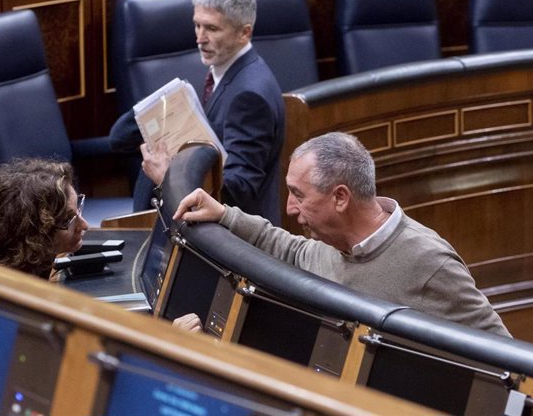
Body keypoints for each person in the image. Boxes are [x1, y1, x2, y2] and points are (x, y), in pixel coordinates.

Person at [172, 132, 511, 337]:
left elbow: (501, 352)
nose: (290, 208)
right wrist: (226, 215)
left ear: (340, 197)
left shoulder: (428, 262)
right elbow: (289, 251)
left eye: (299, 195)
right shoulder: (331, 245)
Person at [109, 0, 285, 225]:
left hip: (233, 244)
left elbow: (239, 191)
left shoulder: (249, 95)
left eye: (212, 28)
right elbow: (119, 138)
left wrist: (168, 176)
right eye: (197, 25)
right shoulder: (224, 73)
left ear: (244, 33)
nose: (200, 38)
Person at [0, 158, 89, 279]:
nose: (84, 225)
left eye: (78, 209)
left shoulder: (25, 259)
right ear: (34, 234)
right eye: (67, 220)